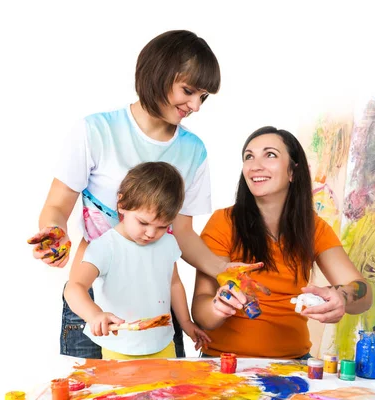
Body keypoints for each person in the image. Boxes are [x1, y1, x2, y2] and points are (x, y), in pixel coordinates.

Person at [27, 30, 246, 359]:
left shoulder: (193, 151)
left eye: (203, 96)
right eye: (188, 91)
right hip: (94, 303)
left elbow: (182, 233)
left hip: (155, 305)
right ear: (158, 74)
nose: (196, 106)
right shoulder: (95, 131)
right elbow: (57, 206)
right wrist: (55, 235)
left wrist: (223, 268)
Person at [192, 126, 373, 359]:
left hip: (293, 365)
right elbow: (200, 310)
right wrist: (218, 308)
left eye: (270, 155)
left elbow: (364, 295)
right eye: (249, 157)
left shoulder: (313, 228)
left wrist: (343, 296)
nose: (255, 165)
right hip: (226, 365)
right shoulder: (223, 222)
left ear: (293, 172)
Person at [64, 162, 210, 359]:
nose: (151, 233)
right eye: (143, 222)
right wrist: (94, 315)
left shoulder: (168, 242)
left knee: (167, 391)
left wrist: (186, 323)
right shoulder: (105, 247)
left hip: (163, 344)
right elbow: (74, 287)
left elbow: (174, 284)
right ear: (122, 204)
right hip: (121, 348)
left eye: (162, 226)